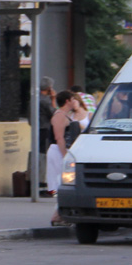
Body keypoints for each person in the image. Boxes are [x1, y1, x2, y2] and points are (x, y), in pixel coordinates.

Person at [47, 90, 79, 224]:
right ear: (67, 101)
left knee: (64, 182)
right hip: (58, 151)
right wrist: (66, 156)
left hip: (62, 150)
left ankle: (59, 214)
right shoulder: (60, 116)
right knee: (62, 182)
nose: (75, 101)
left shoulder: (66, 115)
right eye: (73, 99)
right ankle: (57, 215)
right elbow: (59, 137)